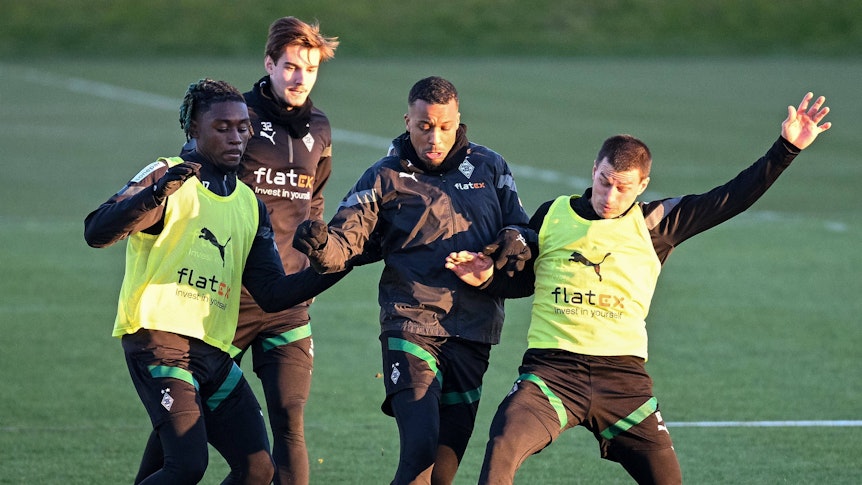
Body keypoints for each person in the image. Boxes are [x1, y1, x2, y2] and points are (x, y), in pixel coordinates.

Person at [444, 92, 832, 484]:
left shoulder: (657, 222)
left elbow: (731, 198)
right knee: (504, 442)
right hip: (551, 374)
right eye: (604, 182)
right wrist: (489, 279)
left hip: (624, 382)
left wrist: (787, 148)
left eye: (624, 188)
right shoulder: (552, 214)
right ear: (594, 169)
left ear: (643, 185)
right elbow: (528, 281)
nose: (610, 197)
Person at [84, 79, 348, 484]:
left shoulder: (248, 204)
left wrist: (332, 265)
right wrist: (154, 194)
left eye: (243, 128)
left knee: (258, 469)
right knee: (187, 466)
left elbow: (273, 294)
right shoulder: (167, 176)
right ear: (193, 129)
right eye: (222, 127)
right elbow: (96, 231)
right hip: (160, 343)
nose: (236, 137)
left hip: (212, 353)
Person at [291, 76, 533, 484]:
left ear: (459, 121)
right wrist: (318, 246)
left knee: (442, 472)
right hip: (411, 325)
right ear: (407, 121)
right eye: (424, 127)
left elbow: (521, 231)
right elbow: (343, 246)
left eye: (444, 127)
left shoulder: (491, 167)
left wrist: (515, 239)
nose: (434, 138)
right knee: (420, 451)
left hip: (474, 331)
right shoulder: (383, 177)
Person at [234, 17, 339, 485]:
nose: (300, 79)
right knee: (185, 422)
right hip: (228, 297)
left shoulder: (320, 127)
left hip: (290, 301)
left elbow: (313, 196)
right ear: (269, 64)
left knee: (289, 420)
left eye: (310, 69)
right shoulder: (236, 118)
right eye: (291, 67)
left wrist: (311, 258)